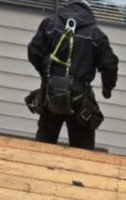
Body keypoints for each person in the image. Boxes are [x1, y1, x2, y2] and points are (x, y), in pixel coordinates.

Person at [27, 0, 119, 150]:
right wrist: (107, 89)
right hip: (79, 99)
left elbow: (33, 52)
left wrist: (46, 75)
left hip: (52, 95)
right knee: (83, 152)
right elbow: (110, 65)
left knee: (43, 147)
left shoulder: (50, 24)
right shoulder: (96, 35)